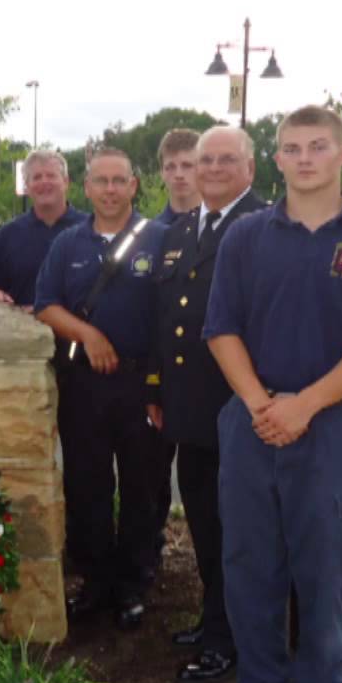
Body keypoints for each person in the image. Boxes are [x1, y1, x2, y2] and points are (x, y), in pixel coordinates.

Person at [203, 105, 342, 683]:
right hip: (251, 422)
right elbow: (221, 329)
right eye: (292, 148)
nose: (305, 159)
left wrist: (304, 407)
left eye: (318, 146)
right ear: (276, 160)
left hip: (330, 428)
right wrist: (261, 405)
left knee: (325, 570)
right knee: (249, 569)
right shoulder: (245, 237)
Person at [146, 126, 267, 683]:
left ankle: (232, 640)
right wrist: (155, 388)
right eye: (204, 161)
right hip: (190, 410)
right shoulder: (181, 230)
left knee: (238, 534)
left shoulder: (264, 226)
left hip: (239, 408)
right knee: (204, 525)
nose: (211, 169)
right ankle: (214, 618)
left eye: (225, 160)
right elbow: (166, 317)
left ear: (250, 168)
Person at [33, 147, 166, 631]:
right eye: (101, 181)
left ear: (134, 185)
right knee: (87, 484)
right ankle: (96, 582)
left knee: (142, 486)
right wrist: (87, 335)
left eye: (119, 181)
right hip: (84, 384)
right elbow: (46, 304)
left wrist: (158, 387)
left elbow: (171, 317)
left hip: (141, 384)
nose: (110, 190)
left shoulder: (159, 239)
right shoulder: (68, 244)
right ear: (86, 188)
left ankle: (133, 584)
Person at [143, 127, 205, 584]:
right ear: (161, 172)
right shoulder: (151, 234)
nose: (181, 175)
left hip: (209, 382)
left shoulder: (225, 228)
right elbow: (150, 316)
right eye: (172, 167)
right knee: (150, 478)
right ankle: (149, 556)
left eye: (189, 165)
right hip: (162, 382)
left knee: (206, 486)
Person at [0, 149, 88, 307]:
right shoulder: (7, 236)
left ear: (66, 182)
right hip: (22, 323)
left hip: (79, 323)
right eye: (37, 177)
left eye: (51, 175)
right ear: (27, 186)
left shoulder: (91, 230)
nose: (44, 182)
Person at [155, 128, 203, 225]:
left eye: (187, 166)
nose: (178, 175)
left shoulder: (225, 227)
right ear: (162, 172)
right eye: (170, 167)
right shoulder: (151, 232)